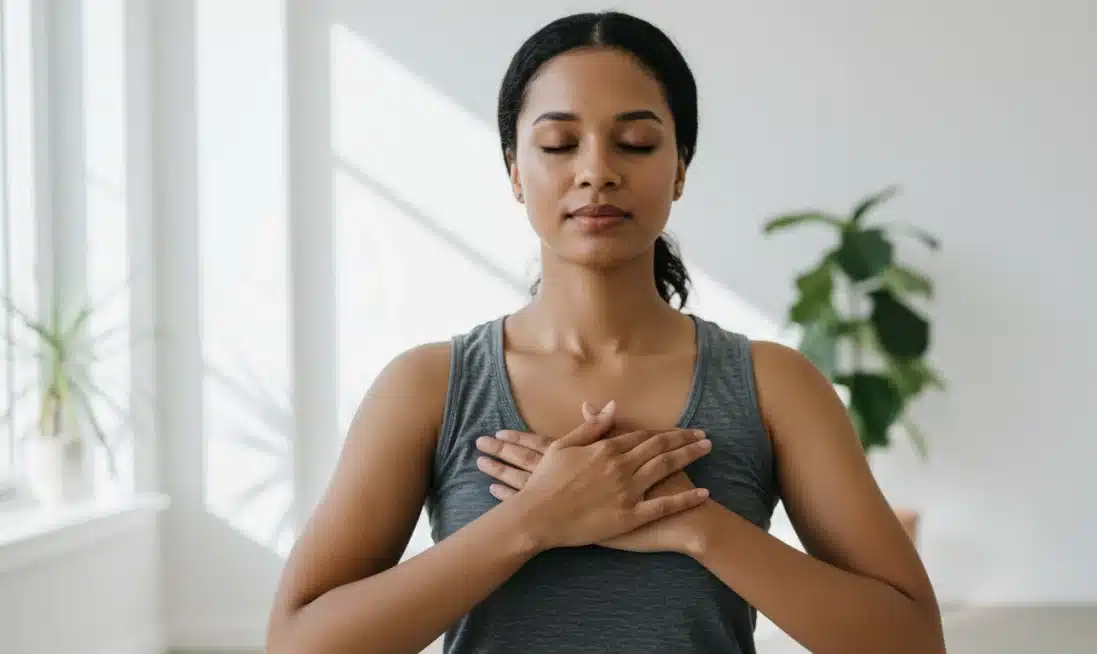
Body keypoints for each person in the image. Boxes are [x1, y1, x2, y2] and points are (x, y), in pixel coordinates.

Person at [265, 10, 945, 654]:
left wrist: (690, 524)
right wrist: (536, 520)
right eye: (559, 144)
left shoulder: (774, 385)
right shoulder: (428, 387)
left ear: (680, 168)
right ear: (514, 174)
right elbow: (297, 644)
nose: (597, 171)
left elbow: (913, 640)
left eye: (637, 143)